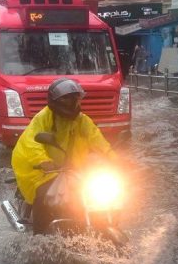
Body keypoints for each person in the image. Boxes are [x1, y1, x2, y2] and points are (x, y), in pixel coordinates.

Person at [11, 78, 117, 235]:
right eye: (66, 98)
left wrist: (114, 158)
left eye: (74, 98)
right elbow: (31, 142)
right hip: (41, 171)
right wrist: (43, 161)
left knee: (97, 194)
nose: (71, 102)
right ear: (56, 101)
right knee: (43, 197)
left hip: (72, 170)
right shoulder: (43, 118)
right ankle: (39, 237)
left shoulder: (82, 120)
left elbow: (97, 139)